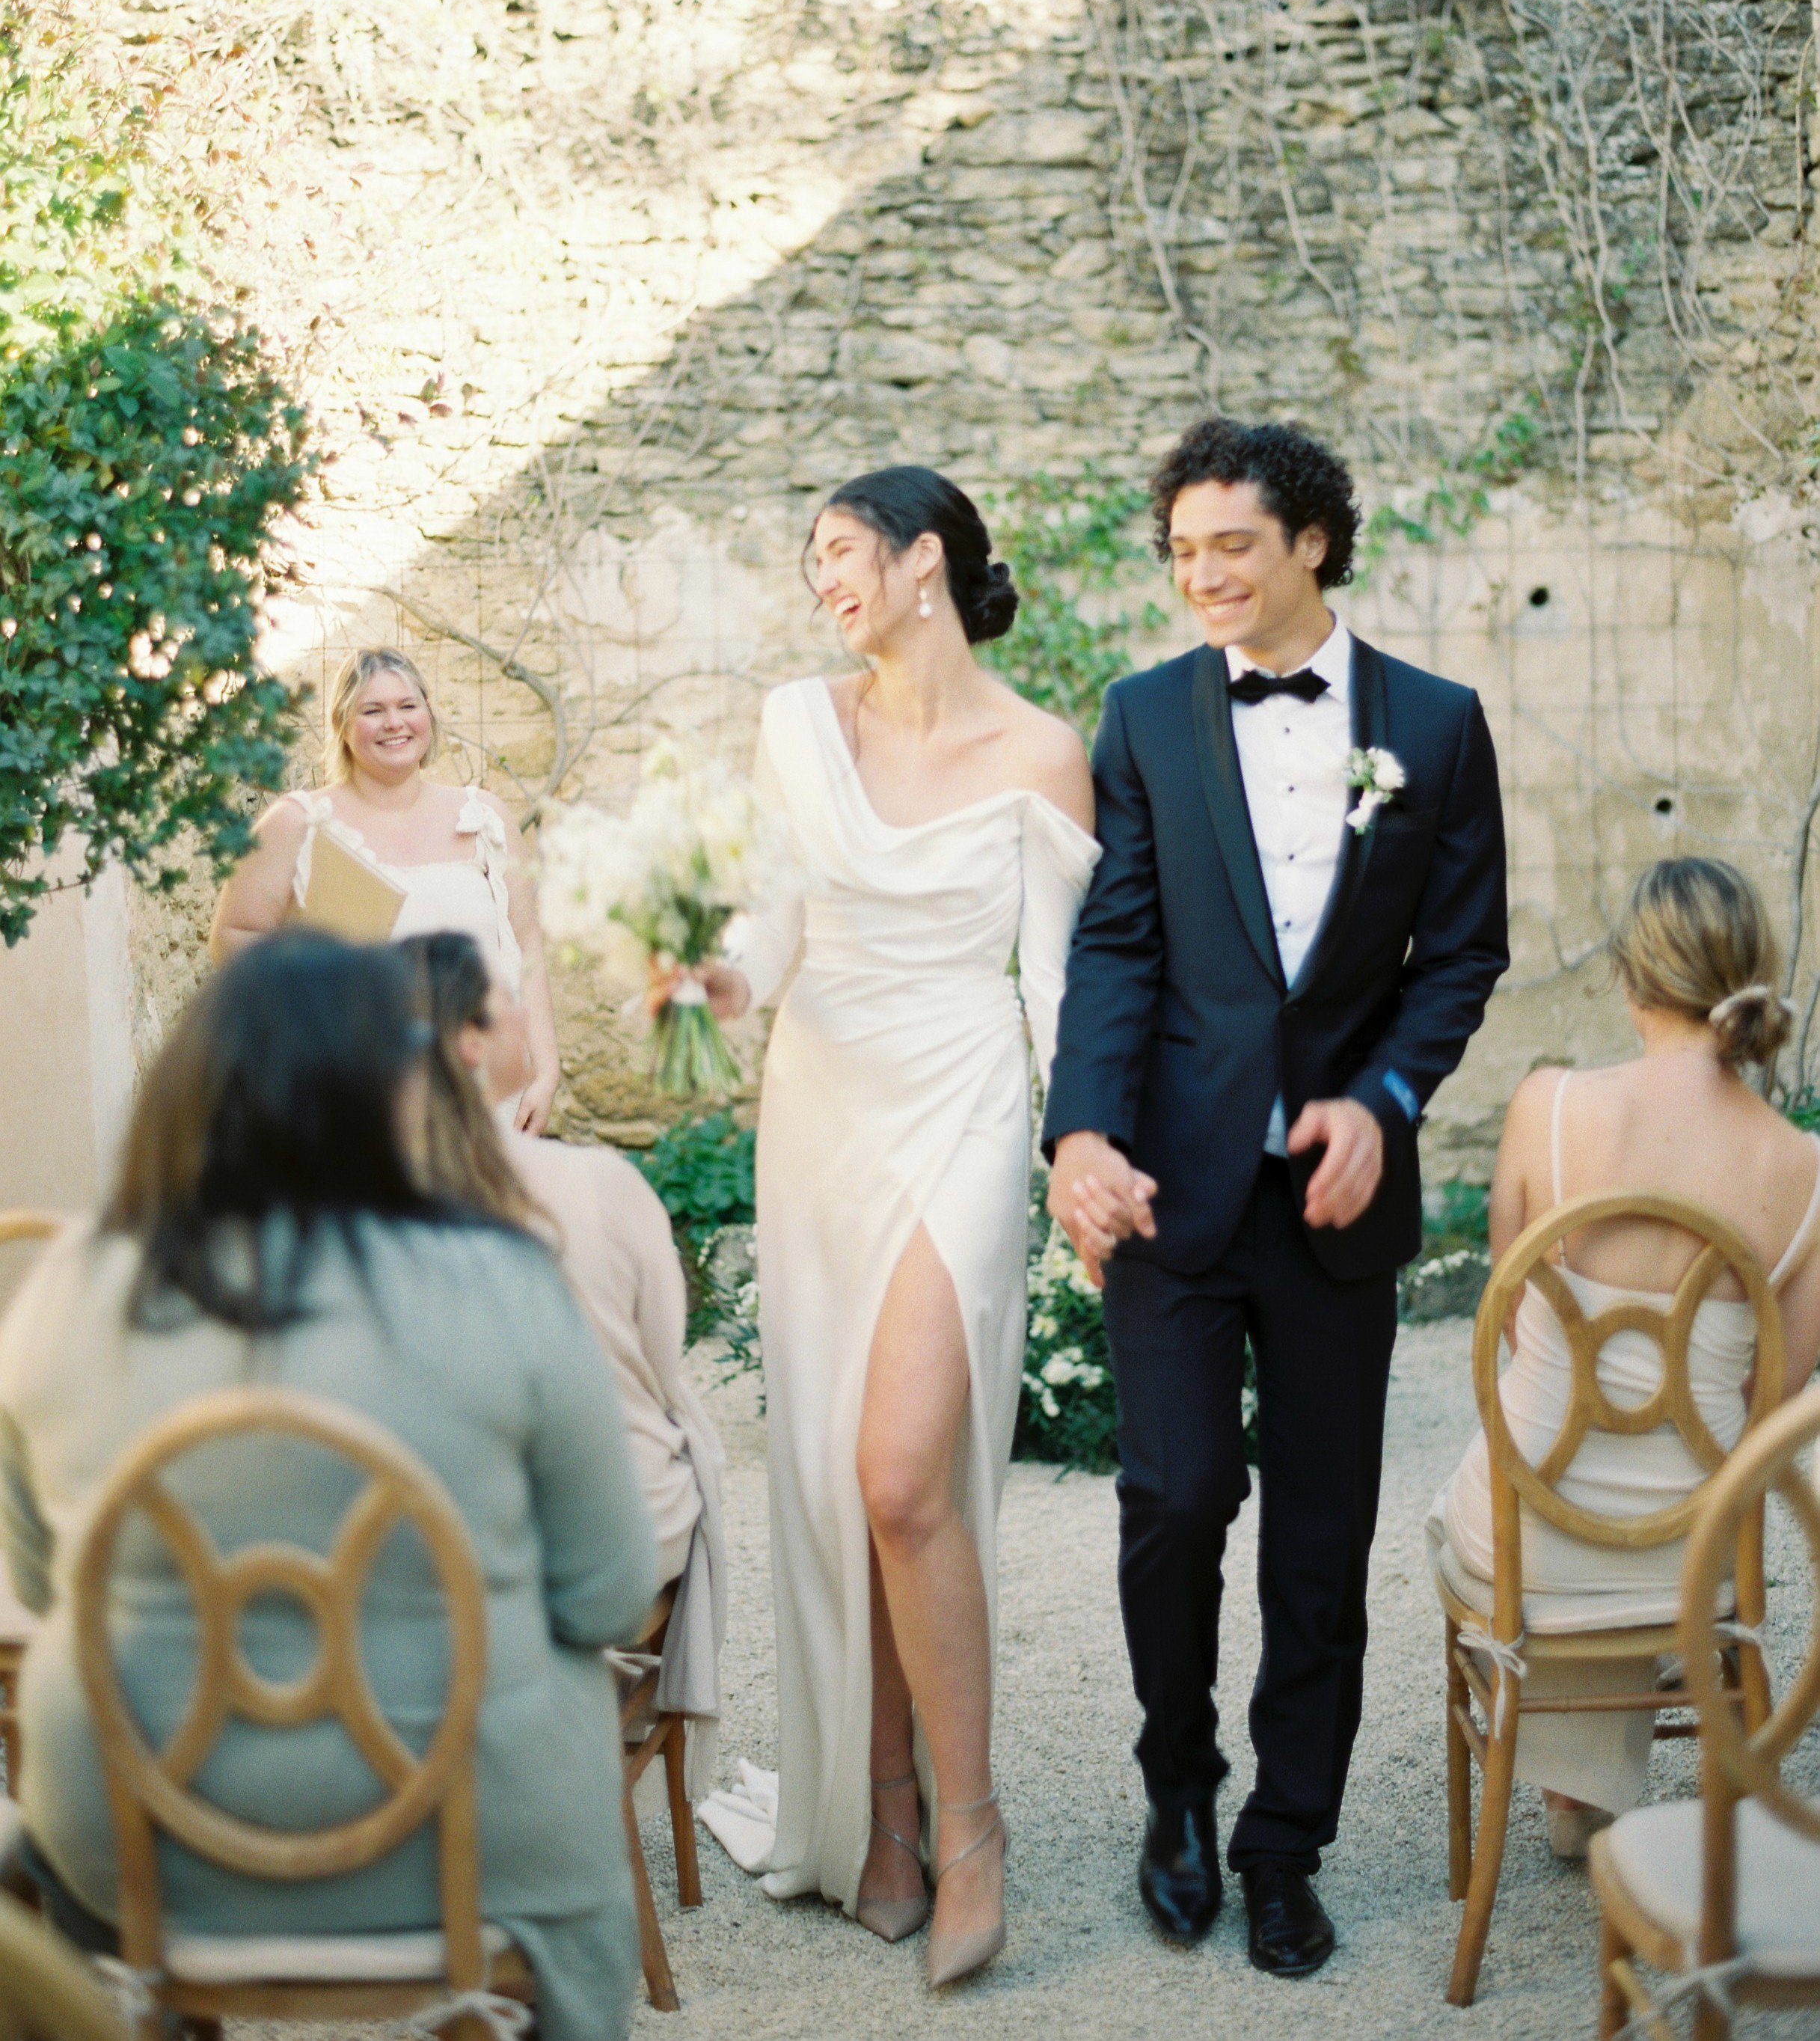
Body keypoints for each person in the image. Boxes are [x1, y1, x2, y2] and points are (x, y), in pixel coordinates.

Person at [1043, 417, 1508, 1977]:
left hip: (1331, 1205)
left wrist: (1385, 1099)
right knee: (1172, 1503)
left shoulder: (1436, 728)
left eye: (1228, 544)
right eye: (1180, 552)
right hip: (1167, 1188)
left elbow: (1460, 956)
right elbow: (1114, 944)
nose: (1201, 575)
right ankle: (1175, 1786)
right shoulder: (1143, 719)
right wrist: (1075, 1135)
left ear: (1310, 539)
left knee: (1319, 1537)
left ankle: (1282, 1845)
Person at [0, 934, 655, 2041]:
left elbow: (44, 1580)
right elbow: (609, 1596)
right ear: (392, 1089)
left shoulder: (70, 1284)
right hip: (469, 1844)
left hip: (135, 1844)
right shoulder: (500, 1280)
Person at [697, 466, 1097, 1988]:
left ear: (927, 559)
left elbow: (1055, 988)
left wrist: (1078, 1147)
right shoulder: (799, 725)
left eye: (844, 553)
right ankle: (876, 1817)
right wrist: (706, 983)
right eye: (812, 564)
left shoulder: (1042, 754)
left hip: (962, 1099)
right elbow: (769, 928)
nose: (825, 585)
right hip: (819, 1102)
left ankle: (971, 1822)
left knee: (898, 1470)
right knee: (829, 1477)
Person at [1428, 857, 1820, 1858]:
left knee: (1543, 1477)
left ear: (1630, 975)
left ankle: (1573, 1788)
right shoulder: (1804, 1168)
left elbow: (1512, 1320)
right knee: (1654, 1503)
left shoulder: (1548, 1106)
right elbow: (1769, 1403)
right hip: (1693, 1560)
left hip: (1529, 1539)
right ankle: (1586, 1788)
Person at [403, 928, 727, 1794]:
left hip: (423, 1561)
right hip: (601, 1550)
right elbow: (666, 1365)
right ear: (473, 1041)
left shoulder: (356, 1209)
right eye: (511, 999)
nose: (527, 1017)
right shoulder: (599, 1184)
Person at [209, 645, 561, 1132]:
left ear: (428, 714)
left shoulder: (484, 818)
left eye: (407, 706)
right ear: (343, 725)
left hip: (481, 1094)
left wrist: (544, 1071)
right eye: (372, 710)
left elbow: (527, 948)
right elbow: (234, 936)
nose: (394, 723)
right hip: (353, 1090)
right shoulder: (298, 823)